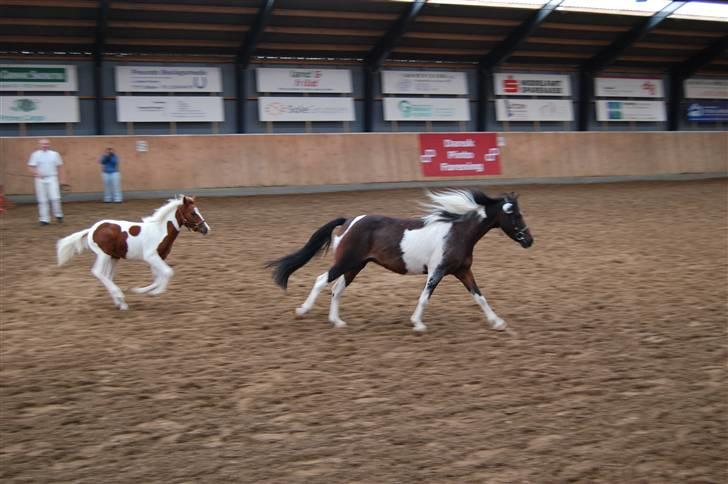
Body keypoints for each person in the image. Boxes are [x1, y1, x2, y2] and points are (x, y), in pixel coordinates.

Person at [27, 138, 65, 225]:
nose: (45, 145)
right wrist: (36, 173)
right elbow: (30, 166)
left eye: (46, 144)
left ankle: (58, 215)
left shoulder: (55, 154)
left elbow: (60, 166)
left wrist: (62, 179)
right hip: (40, 179)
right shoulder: (35, 155)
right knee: (42, 200)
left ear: (49, 145)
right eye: (43, 144)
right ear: (39, 145)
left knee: (55, 198)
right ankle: (44, 219)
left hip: (52, 177)